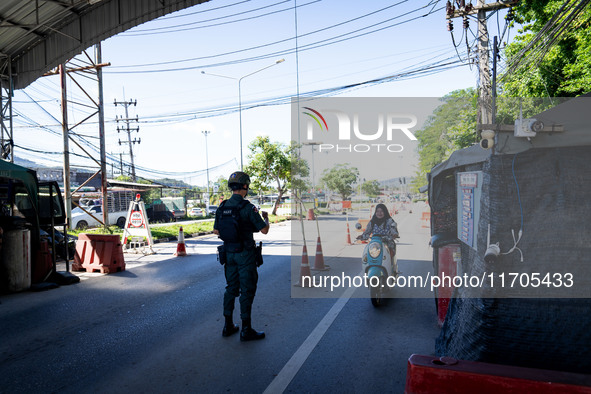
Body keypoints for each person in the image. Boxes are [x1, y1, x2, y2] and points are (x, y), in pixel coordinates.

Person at [214, 171, 270, 341]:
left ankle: (228, 325)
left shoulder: (222, 207)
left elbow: (216, 231)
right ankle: (246, 329)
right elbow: (264, 230)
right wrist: (265, 218)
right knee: (247, 290)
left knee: (231, 288)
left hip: (229, 253)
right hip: (245, 255)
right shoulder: (248, 207)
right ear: (245, 186)